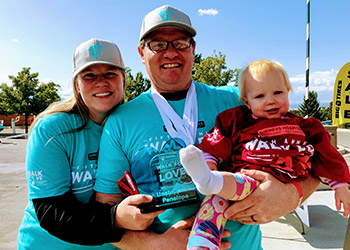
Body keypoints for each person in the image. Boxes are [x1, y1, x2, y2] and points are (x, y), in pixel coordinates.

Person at [94, 5, 320, 250]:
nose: (170, 53)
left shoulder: (238, 100)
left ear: (193, 49)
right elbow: (106, 208)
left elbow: (314, 147)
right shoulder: (120, 121)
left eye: (180, 42)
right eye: (158, 44)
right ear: (141, 53)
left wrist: (292, 195)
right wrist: (153, 244)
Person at [179, 59, 350, 249]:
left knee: (219, 195)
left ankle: (209, 181)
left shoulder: (305, 126)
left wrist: (340, 185)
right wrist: (210, 162)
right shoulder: (237, 120)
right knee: (215, 201)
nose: (271, 100)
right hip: (244, 177)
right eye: (260, 96)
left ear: (288, 92)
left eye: (278, 92)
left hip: (282, 179)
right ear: (247, 102)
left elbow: (326, 155)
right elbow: (217, 140)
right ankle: (202, 237)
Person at [17, 38, 161, 249]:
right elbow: (51, 212)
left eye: (110, 74)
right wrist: (115, 218)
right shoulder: (52, 129)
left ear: (123, 79)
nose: (101, 82)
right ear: (77, 83)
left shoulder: (135, 124)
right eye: (89, 75)